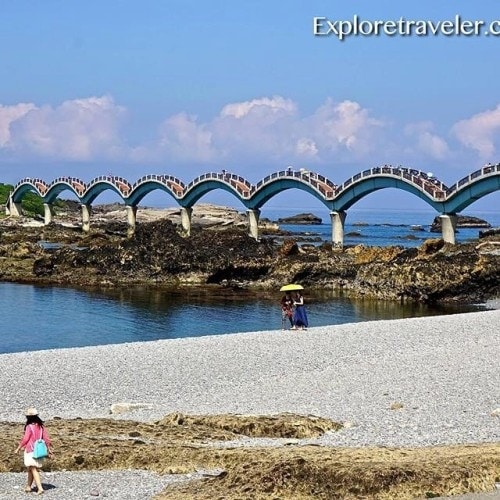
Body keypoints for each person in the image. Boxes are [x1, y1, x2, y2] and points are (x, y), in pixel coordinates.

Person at [15, 408, 52, 495]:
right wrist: (49, 448)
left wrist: (18, 448)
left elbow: (25, 439)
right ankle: (28, 486)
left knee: (33, 468)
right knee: (30, 468)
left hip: (31, 450)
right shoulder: (41, 426)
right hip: (39, 449)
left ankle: (40, 488)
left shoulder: (29, 426)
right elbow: (46, 438)